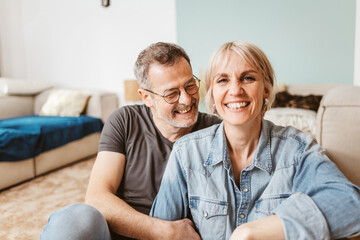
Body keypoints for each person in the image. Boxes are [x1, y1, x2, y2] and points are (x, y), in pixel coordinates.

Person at [150, 41, 360, 240]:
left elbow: (351, 206)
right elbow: (159, 231)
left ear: (267, 90)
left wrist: (253, 232)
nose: (235, 90)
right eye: (222, 80)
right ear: (212, 95)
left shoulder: (297, 149)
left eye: (248, 78)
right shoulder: (186, 153)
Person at [40, 42, 220, 240]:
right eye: (171, 93)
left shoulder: (216, 131)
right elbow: (97, 197)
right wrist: (163, 232)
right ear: (147, 97)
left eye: (190, 85)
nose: (186, 99)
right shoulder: (125, 120)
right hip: (126, 233)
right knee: (76, 219)